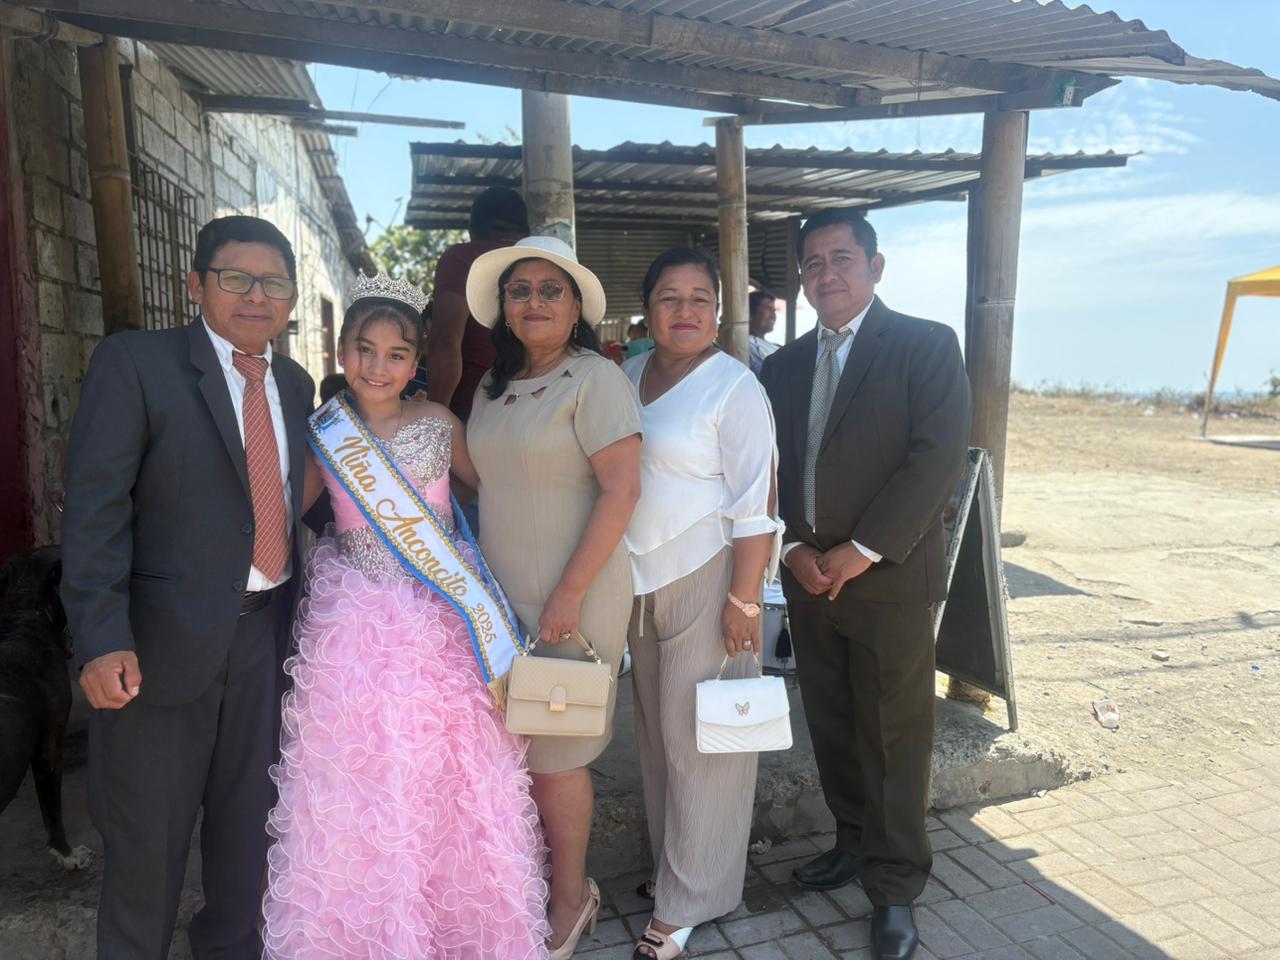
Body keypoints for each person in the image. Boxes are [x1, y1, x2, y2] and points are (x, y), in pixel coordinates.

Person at [261, 273, 548, 957]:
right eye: (364, 350)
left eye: (395, 354)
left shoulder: (440, 423)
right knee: (366, 767)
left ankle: (456, 925)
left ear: (417, 361)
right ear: (341, 352)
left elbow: (490, 493)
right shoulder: (326, 433)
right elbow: (283, 510)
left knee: (450, 766)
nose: (377, 367)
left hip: (443, 615)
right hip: (354, 621)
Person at [60, 216, 314, 959]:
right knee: (147, 847)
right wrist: (100, 639)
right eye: (236, 278)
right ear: (196, 285)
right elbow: (96, 511)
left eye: (273, 283)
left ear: (292, 299)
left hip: (266, 639)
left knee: (249, 840)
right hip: (157, 648)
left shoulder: (295, 385)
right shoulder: (137, 364)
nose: (256, 296)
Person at [760, 209, 971, 960]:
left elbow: (937, 457)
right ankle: (851, 843)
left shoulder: (924, 345)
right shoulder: (781, 368)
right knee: (833, 722)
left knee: (894, 734)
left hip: (888, 580)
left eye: (842, 258)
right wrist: (792, 549)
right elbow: (769, 469)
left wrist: (862, 549)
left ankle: (895, 888)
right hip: (810, 581)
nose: (827, 273)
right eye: (813, 262)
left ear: (875, 267)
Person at [466, 236, 642, 959]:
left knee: (557, 755)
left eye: (550, 290)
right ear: (504, 308)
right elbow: (482, 479)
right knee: (516, 748)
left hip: (572, 596)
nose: (534, 301)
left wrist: (568, 594)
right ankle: (531, 879)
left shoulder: (596, 380)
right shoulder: (491, 385)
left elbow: (623, 489)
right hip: (501, 598)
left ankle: (571, 894)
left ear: (575, 308)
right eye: (520, 290)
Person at [621, 248, 780, 959]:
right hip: (639, 577)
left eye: (699, 298)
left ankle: (693, 898)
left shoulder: (734, 386)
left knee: (704, 740)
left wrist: (745, 601)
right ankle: (675, 869)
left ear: (717, 310)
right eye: (669, 297)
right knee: (659, 736)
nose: (684, 311)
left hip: (711, 573)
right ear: (646, 309)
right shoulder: (629, 376)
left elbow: (757, 503)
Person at [427, 187, 530, 421]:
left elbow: (445, 340)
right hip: (538, 413)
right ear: (527, 231)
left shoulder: (462, 259)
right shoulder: (542, 264)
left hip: (473, 413)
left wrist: (435, 419)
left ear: (472, 230)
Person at [748, 289, 780, 377]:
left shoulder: (772, 345)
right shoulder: (749, 344)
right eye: (769, 309)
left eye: (774, 311)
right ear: (750, 314)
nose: (773, 316)